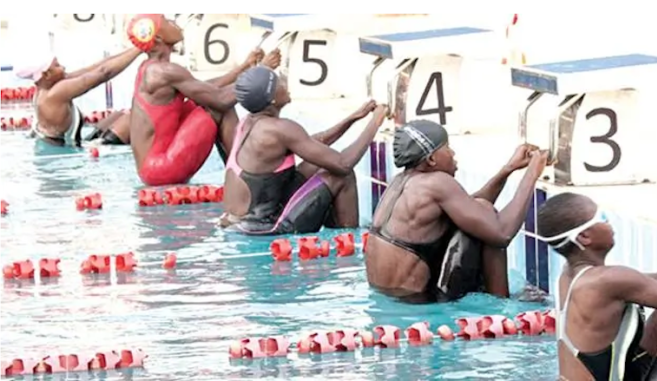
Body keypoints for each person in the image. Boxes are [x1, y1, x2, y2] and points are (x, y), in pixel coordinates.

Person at [364, 119, 549, 303]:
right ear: (431, 159)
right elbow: (502, 233)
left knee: (481, 214)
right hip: (419, 306)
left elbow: (468, 208)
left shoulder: (400, 182)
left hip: (393, 302)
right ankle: (502, 306)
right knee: (488, 220)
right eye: (447, 147)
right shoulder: (436, 183)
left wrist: (508, 170)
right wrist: (532, 174)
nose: (453, 153)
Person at [219, 65, 389, 235]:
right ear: (270, 99)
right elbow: (343, 164)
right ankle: (346, 243)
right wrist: (375, 122)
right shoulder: (280, 129)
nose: (285, 84)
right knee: (341, 175)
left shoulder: (247, 123)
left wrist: (352, 119)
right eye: (279, 83)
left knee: (316, 164)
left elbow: (309, 144)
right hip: (265, 228)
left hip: (239, 223)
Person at [126, 14, 281, 186]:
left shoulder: (151, 68)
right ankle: (246, 176)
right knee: (220, 108)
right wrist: (262, 72)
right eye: (167, 21)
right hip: (161, 169)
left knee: (208, 100)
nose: (174, 22)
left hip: (151, 168)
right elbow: (220, 99)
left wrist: (244, 68)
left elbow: (203, 89)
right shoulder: (164, 72)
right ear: (159, 38)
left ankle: (239, 172)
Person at [537, 192, 657, 381]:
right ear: (584, 237)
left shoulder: (570, 275)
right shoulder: (609, 280)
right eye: (602, 217)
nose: (610, 222)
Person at [16, 48, 140, 147]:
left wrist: (136, 47)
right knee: (131, 119)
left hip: (68, 144)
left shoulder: (46, 86)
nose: (63, 67)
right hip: (66, 155)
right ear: (47, 74)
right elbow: (104, 73)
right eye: (57, 65)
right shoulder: (55, 93)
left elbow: (96, 67)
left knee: (120, 114)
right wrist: (140, 49)